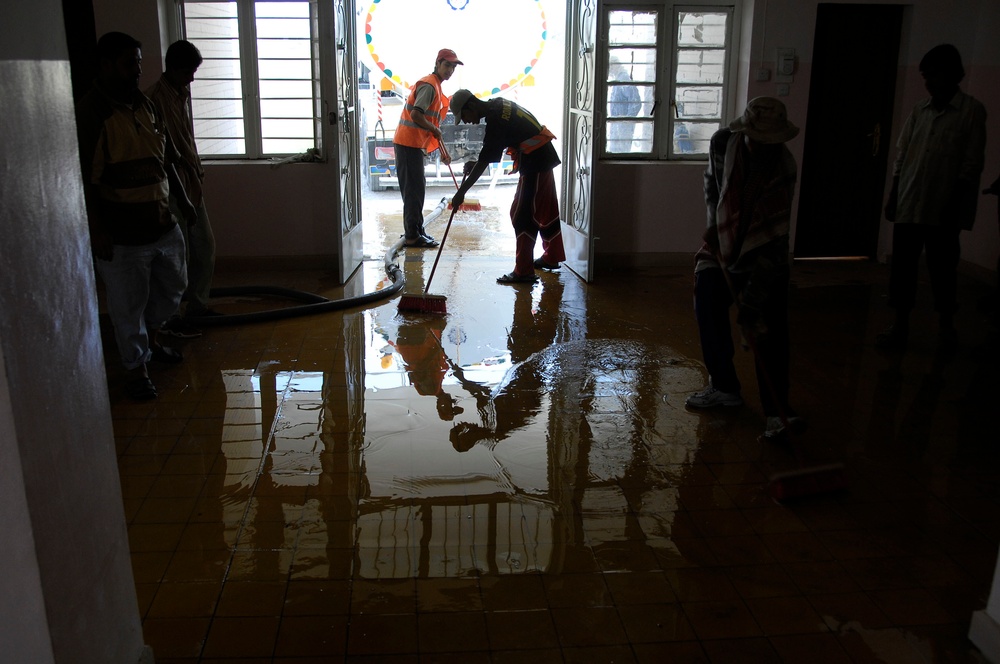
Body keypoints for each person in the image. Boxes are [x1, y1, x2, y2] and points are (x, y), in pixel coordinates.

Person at [76, 32, 196, 400]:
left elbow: (167, 160)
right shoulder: (93, 115)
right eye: (130, 63)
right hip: (122, 234)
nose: (137, 71)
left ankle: (152, 340)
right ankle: (137, 367)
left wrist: (184, 201)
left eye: (139, 63)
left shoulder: (146, 106)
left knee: (173, 288)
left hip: (161, 223)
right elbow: (84, 182)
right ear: (107, 65)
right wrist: (96, 230)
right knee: (128, 305)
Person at [684, 97, 802, 441]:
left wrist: (751, 306)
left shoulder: (784, 166)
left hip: (766, 251)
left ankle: (778, 413)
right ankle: (724, 387)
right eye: (759, 140)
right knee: (707, 299)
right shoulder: (724, 142)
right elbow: (713, 187)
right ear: (746, 132)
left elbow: (775, 235)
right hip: (723, 239)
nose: (766, 147)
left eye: (772, 141)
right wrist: (715, 226)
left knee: (768, 328)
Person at [877, 44, 987, 350]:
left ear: (954, 76)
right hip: (910, 202)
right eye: (925, 77)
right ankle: (899, 325)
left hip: (944, 208)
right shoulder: (919, 111)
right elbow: (902, 156)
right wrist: (894, 196)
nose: (929, 82)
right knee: (903, 268)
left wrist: (955, 204)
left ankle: (946, 326)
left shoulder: (971, 112)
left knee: (942, 268)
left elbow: (971, 164)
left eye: (934, 75)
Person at [449, 89, 566, 283]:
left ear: (471, 105)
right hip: (540, 156)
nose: (466, 121)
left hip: (535, 161)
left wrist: (461, 192)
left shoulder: (495, 120)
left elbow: (487, 159)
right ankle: (552, 256)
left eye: (464, 116)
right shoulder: (497, 104)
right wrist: (477, 161)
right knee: (546, 208)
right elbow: (497, 145)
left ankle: (524, 271)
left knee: (522, 215)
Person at [146, 39, 221, 338]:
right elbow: (164, 157)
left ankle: (198, 307)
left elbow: (186, 143)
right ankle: (170, 318)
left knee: (204, 246)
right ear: (174, 68)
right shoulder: (153, 100)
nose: (193, 77)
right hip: (170, 192)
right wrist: (182, 195)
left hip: (191, 186)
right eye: (190, 71)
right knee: (178, 259)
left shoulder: (180, 94)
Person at [392, 48, 462, 248]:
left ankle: (417, 230)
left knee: (417, 190)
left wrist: (434, 131)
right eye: (447, 65)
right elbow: (416, 115)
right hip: (408, 144)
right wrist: (434, 129)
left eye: (453, 67)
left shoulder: (436, 86)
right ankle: (412, 236)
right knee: (413, 192)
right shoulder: (430, 86)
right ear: (438, 63)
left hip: (412, 144)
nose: (450, 70)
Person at [609, 62, 641, 151]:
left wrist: (626, 120)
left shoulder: (624, 79)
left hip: (622, 128)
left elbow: (636, 102)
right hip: (617, 127)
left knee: (620, 155)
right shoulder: (619, 79)